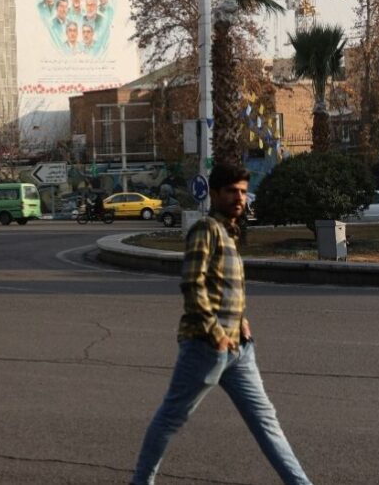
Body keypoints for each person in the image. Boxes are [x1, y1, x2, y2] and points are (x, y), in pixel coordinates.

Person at [129, 163, 312, 485]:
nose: (239, 197)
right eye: (232, 191)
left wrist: (241, 322)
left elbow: (222, 287)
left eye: (243, 191)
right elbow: (192, 284)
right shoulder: (206, 229)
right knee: (171, 418)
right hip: (205, 346)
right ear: (215, 194)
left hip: (240, 351)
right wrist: (216, 333)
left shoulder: (229, 233)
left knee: (267, 423)